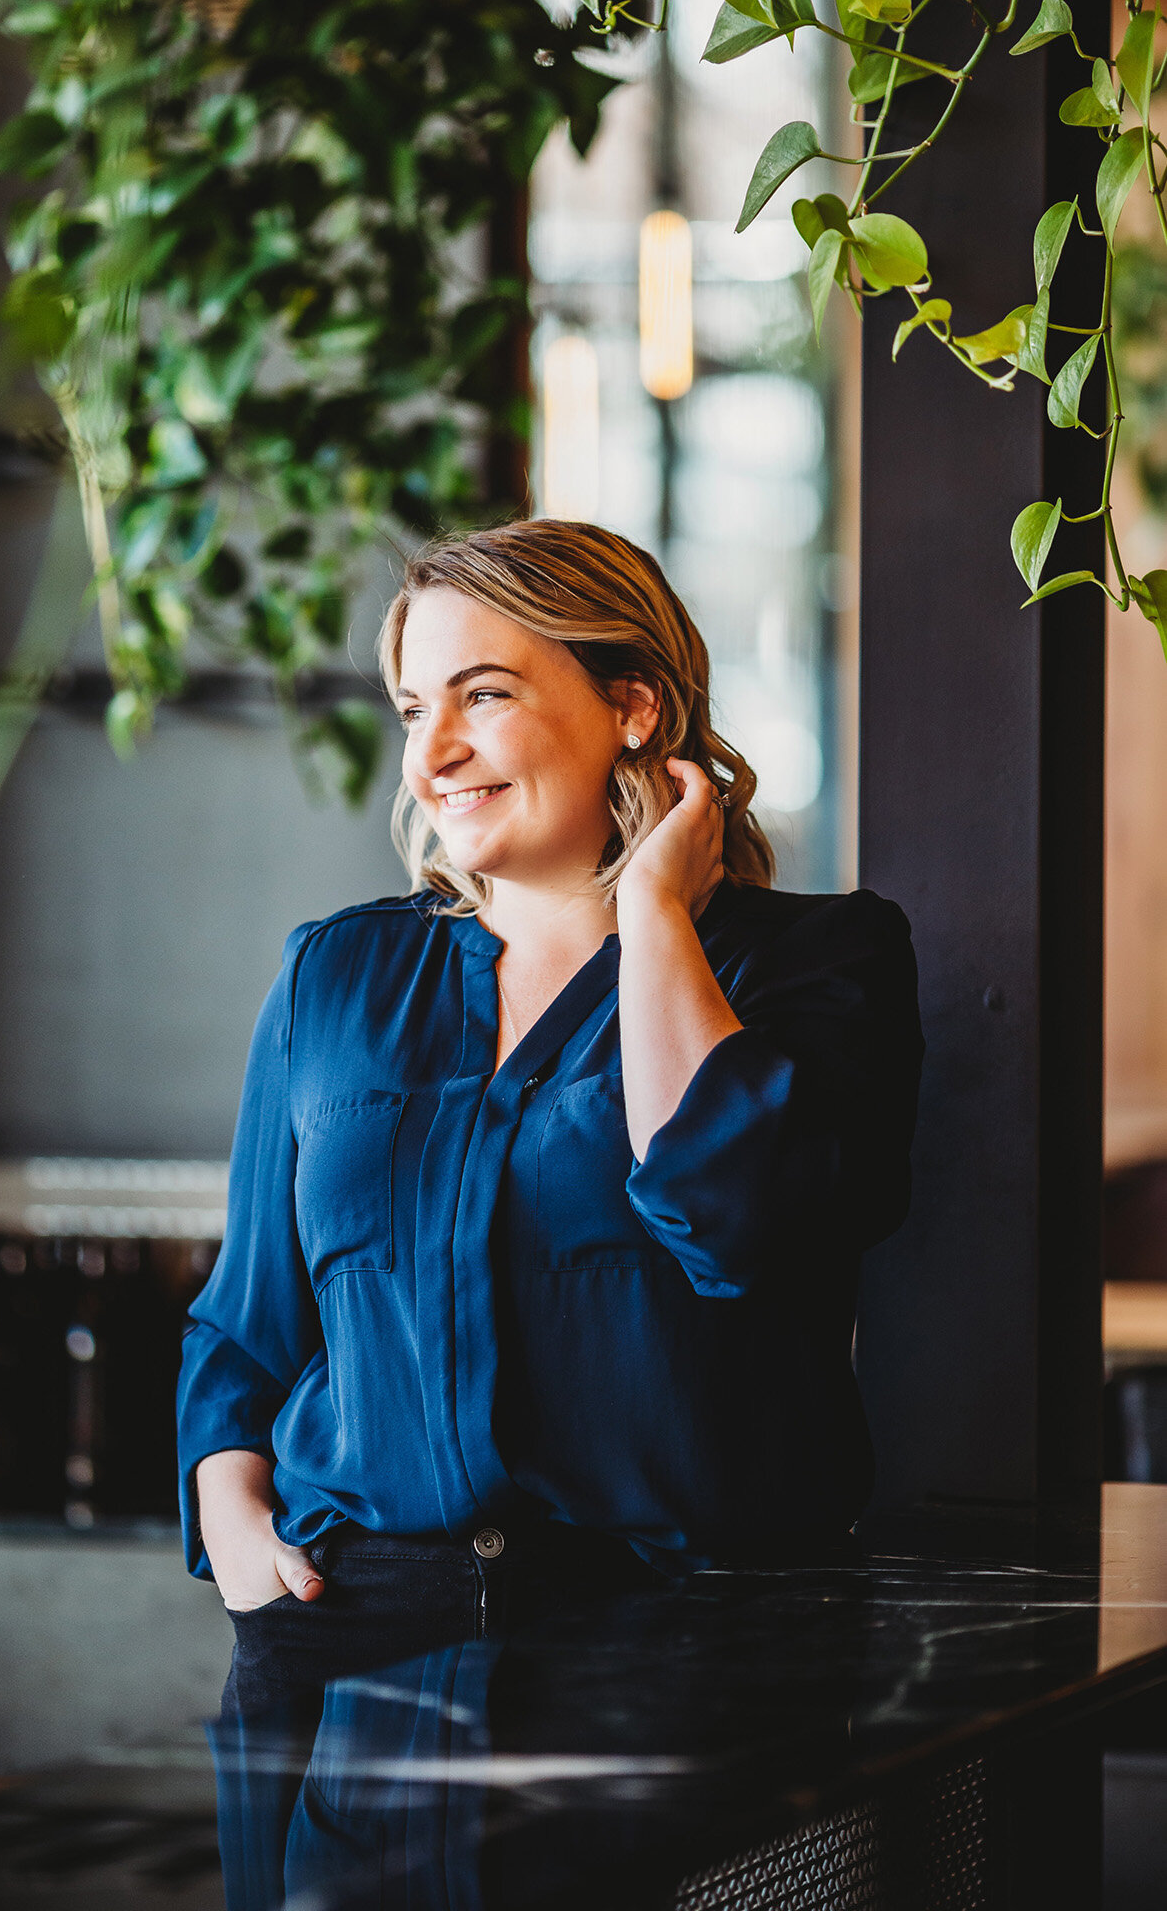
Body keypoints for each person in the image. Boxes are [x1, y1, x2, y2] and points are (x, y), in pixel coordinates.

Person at [177, 519, 923, 1711]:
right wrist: (235, 1525)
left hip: (693, 1657)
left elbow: (742, 1225)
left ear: (632, 704)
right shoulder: (336, 974)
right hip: (346, 1642)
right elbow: (246, 1322)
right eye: (416, 707)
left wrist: (658, 914)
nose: (435, 754)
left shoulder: (819, 962)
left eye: (486, 694)